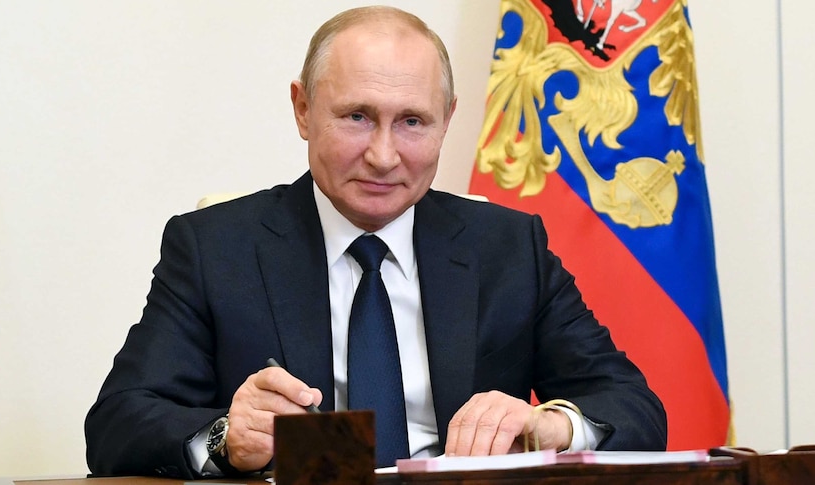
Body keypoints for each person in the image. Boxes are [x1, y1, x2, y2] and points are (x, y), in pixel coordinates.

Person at [85, 5, 666, 478]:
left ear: (447, 119)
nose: (384, 156)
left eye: (412, 121)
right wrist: (224, 437)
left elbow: (635, 408)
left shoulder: (507, 247)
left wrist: (553, 424)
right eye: (357, 116)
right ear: (303, 109)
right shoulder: (217, 249)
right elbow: (117, 424)